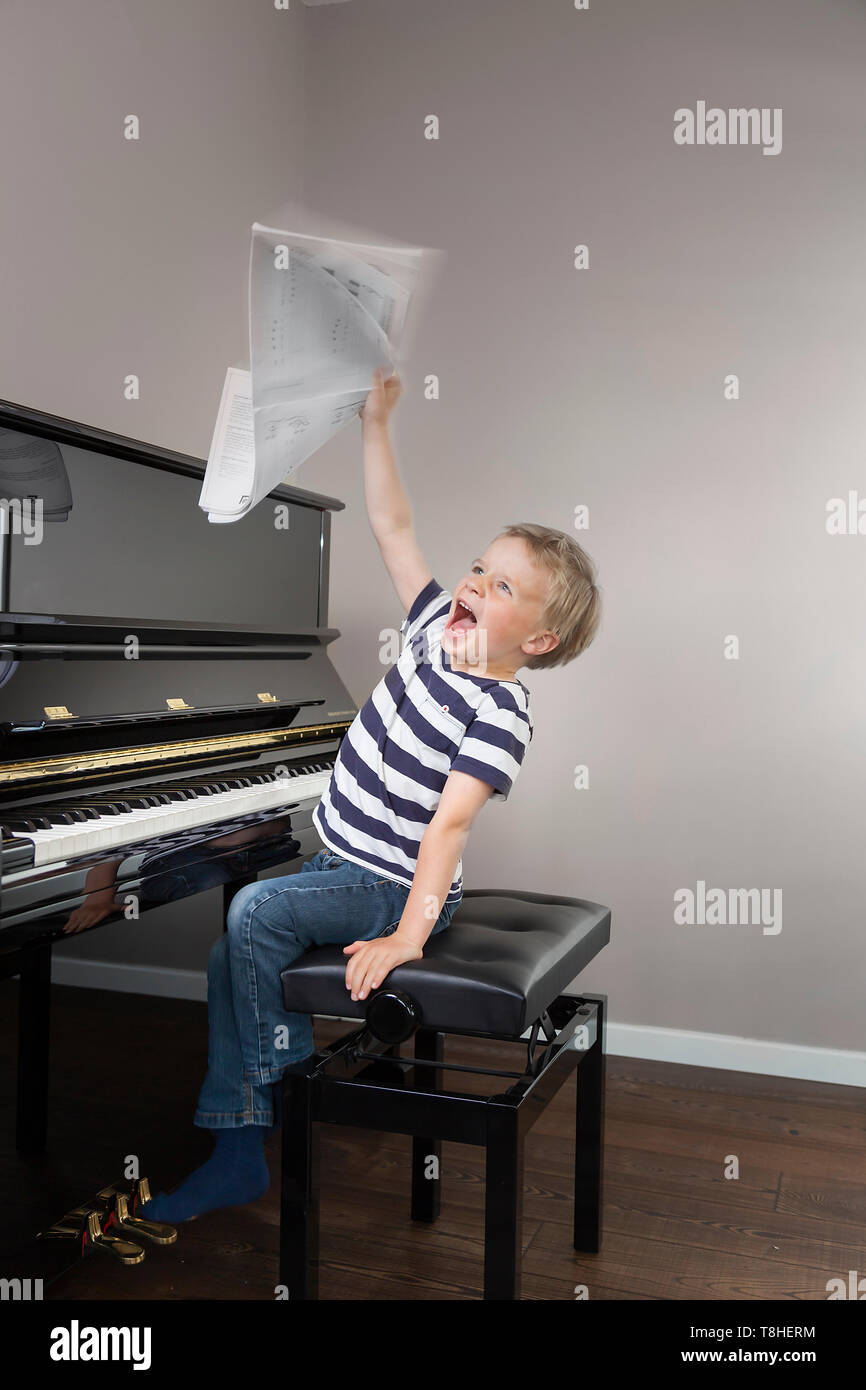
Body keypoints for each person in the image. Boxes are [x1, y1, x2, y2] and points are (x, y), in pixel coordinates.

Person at [141, 367, 602, 1222]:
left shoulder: (499, 712)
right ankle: (272, 1091)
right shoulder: (434, 630)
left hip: (389, 882)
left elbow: (450, 830)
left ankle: (249, 1131)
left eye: (501, 587)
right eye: (478, 568)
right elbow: (392, 525)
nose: (472, 586)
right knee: (226, 954)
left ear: (536, 639)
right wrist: (375, 425)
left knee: (251, 916)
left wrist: (407, 934)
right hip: (346, 858)